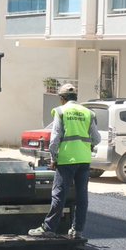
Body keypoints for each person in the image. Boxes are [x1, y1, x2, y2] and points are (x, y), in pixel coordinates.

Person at [29, 83, 100, 241]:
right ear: (76, 98)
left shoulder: (61, 112)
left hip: (67, 159)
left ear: (62, 99)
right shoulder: (88, 113)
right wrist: (87, 147)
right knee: (82, 196)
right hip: (84, 160)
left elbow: (54, 139)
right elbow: (97, 138)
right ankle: (77, 230)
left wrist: (53, 158)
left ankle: (48, 228)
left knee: (59, 194)